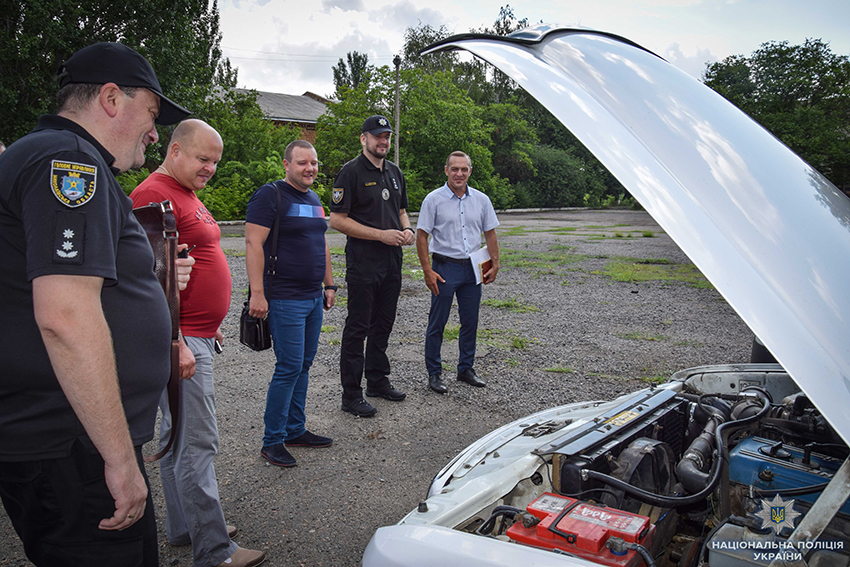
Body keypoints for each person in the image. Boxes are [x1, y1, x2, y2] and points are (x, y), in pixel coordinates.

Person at [0, 42, 194, 566]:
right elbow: (64, 316)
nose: (155, 134)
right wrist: (118, 459)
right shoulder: (68, 161)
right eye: (152, 114)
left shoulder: (49, 155)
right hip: (72, 447)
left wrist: (147, 281)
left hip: (65, 442)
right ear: (111, 98)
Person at [130, 120, 266, 567]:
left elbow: (182, 267)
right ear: (174, 151)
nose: (210, 168)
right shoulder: (155, 195)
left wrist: (206, 323)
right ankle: (215, 552)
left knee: (176, 437)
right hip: (180, 341)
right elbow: (144, 282)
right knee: (197, 443)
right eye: (203, 158)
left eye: (216, 161)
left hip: (195, 333)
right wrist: (177, 339)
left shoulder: (184, 193)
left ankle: (186, 526)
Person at [246, 140, 336, 467]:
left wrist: (329, 284)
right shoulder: (271, 195)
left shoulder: (314, 198)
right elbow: (253, 242)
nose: (310, 168)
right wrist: (258, 293)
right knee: (288, 367)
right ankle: (272, 441)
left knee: (304, 364)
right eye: (302, 163)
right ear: (286, 165)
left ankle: (295, 429)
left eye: (313, 162)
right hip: (284, 297)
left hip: (313, 296)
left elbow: (321, 242)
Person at [329, 115, 414, 418]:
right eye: (377, 136)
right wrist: (381, 235)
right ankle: (351, 394)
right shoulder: (351, 173)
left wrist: (407, 230)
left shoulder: (394, 172)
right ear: (363, 139)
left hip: (392, 260)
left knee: (384, 323)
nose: (383, 141)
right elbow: (337, 219)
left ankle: (377, 381)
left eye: (387, 137)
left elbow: (401, 210)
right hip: (364, 261)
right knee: (358, 327)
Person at [415, 151, 500, 394]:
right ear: (446, 171)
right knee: (437, 322)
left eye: (464, 169)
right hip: (444, 268)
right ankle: (434, 373)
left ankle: (465, 369)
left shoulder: (482, 200)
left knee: (470, 321)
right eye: (455, 169)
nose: (459, 174)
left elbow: (490, 233)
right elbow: (422, 236)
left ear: (470, 171)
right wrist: (427, 270)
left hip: (472, 268)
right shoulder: (433, 200)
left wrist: (495, 263)